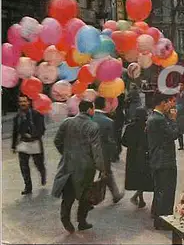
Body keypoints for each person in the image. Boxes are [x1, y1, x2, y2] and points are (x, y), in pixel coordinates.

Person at [52, 100, 106, 233]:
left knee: (68, 195)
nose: (93, 111)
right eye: (93, 109)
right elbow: (96, 150)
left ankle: (66, 220)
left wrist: (66, 153)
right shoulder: (93, 126)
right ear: (88, 110)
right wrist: (102, 168)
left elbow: (57, 140)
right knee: (85, 195)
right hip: (86, 167)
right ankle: (82, 222)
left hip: (68, 165)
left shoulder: (67, 122)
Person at [147, 93, 178, 230]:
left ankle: (157, 216)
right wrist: (173, 120)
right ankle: (164, 221)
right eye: (167, 103)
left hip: (157, 159)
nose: (169, 106)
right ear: (162, 103)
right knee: (166, 191)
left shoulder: (154, 117)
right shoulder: (159, 119)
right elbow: (173, 134)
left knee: (160, 190)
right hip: (164, 161)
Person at [11, 94, 46, 195]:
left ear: (29, 102)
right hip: (23, 143)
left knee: (38, 164)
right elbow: (15, 132)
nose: (23, 104)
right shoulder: (17, 117)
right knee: (24, 166)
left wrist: (33, 136)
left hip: (34, 142)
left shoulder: (36, 114)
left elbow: (42, 129)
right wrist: (14, 146)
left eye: (24, 101)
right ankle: (28, 187)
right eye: (21, 102)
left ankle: (42, 174)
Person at [93, 97, 124, 203]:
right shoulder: (108, 121)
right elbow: (111, 141)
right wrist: (114, 153)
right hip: (103, 153)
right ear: (104, 105)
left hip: (88, 151)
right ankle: (115, 194)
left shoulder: (88, 118)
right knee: (107, 172)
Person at [122, 107, 153, 209]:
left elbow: (124, 141)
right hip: (144, 155)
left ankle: (139, 198)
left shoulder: (130, 127)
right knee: (144, 176)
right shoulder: (147, 127)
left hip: (132, 155)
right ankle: (138, 198)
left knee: (137, 177)